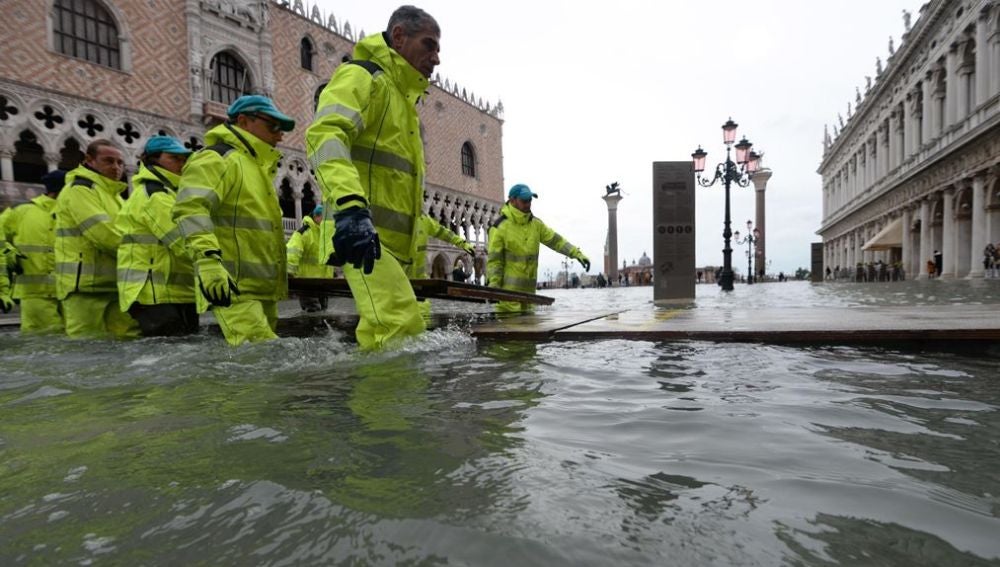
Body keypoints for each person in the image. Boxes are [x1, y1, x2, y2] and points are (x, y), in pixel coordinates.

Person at [306, 5, 440, 350]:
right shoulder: (363, 77)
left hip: (394, 246)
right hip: (363, 235)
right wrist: (351, 208)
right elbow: (325, 137)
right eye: (429, 45)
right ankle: (385, 404)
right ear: (399, 37)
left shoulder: (404, 101)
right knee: (396, 328)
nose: (436, 58)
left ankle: (389, 402)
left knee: (402, 331)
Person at [173, 95, 293, 346]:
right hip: (232, 285)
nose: (280, 136)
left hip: (263, 288)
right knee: (260, 356)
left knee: (263, 360)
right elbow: (191, 208)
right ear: (243, 121)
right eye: (273, 126)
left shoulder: (256, 167)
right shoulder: (217, 158)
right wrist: (207, 262)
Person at [54, 140, 140, 339]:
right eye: (108, 161)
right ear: (89, 160)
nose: (116, 167)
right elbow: (104, 235)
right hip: (83, 288)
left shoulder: (114, 195)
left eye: (120, 162)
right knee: (87, 351)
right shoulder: (80, 189)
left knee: (128, 342)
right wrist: (140, 255)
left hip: (115, 285)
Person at [116, 136, 198, 337]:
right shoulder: (155, 195)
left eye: (183, 159)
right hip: (153, 294)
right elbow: (184, 241)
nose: (181, 164)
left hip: (170, 293)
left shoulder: (168, 192)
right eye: (174, 158)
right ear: (153, 160)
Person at [486, 184, 590, 313]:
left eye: (530, 200)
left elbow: (556, 241)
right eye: (524, 200)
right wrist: (494, 289)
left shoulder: (536, 224)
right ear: (512, 201)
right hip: (507, 303)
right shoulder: (499, 227)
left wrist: (577, 254)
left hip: (530, 301)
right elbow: (495, 262)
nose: (528, 204)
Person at [1, 170, 65, 333]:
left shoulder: (71, 213)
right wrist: (8, 253)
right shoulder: (22, 211)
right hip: (36, 295)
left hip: (70, 294)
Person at [287, 204, 334, 313]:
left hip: (324, 283)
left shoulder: (328, 236)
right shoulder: (304, 232)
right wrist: (289, 272)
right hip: (307, 283)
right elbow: (292, 251)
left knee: (323, 312)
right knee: (313, 311)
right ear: (317, 217)